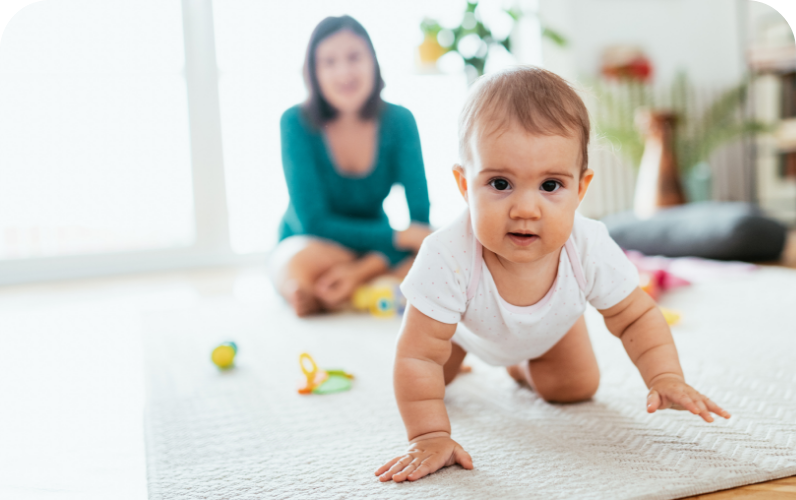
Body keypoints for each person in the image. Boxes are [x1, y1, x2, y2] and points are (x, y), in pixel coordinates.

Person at [375, 67, 731, 483]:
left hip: (552, 331)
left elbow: (636, 316)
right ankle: (474, 364)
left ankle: (521, 368)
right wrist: (429, 434)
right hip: (459, 332)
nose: (526, 208)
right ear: (463, 184)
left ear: (580, 190)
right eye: (501, 183)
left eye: (550, 186)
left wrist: (665, 375)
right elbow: (416, 354)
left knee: (575, 387)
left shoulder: (589, 246)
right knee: (431, 379)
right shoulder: (447, 254)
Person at [269, 16, 432, 317]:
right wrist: (397, 238)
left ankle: (352, 284)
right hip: (314, 244)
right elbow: (313, 223)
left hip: (373, 248)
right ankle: (343, 289)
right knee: (293, 264)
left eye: (354, 57)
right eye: (329, 62)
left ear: (373, 61)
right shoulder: (295, 122)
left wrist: (361, 269)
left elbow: (421, 224)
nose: (343, 71)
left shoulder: (400, 121)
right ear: (313, 73)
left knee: (429, 254)